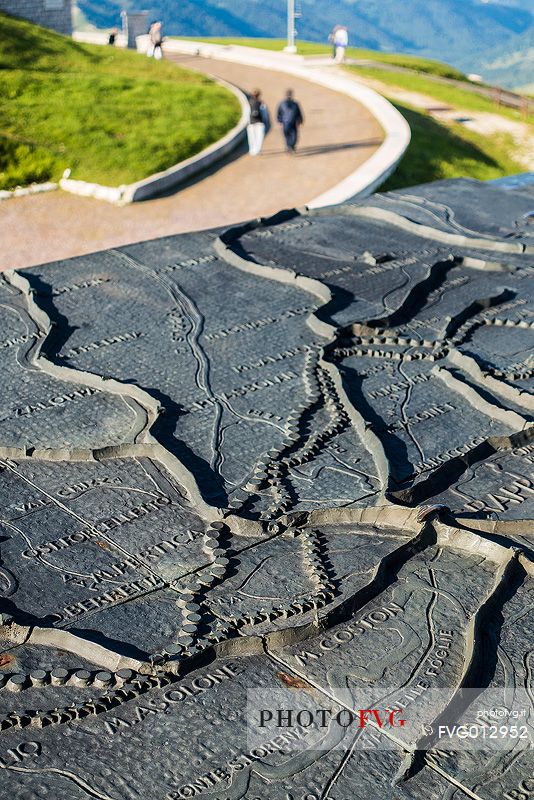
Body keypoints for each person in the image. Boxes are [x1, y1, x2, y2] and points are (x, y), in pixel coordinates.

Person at [276, 89, 304, 153]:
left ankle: (291, 146)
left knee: (291, 136)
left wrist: (300, 120)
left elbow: (299, 113)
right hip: (287, 122)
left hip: (290, 122)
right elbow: (279, 113)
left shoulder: (294, 104)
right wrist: (279, 120)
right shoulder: (284, 104)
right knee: (289, 135)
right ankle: (290, 146)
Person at [247, 89, 270, 156]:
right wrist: (266, 121)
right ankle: (257, 150)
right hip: (260, 123)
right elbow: (265, 114)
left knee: (251, 137)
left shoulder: (249, 103)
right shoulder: (261, 103)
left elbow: (247, 113)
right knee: (259, 138)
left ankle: (252, 150)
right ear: (259, 95)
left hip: (251, 123)